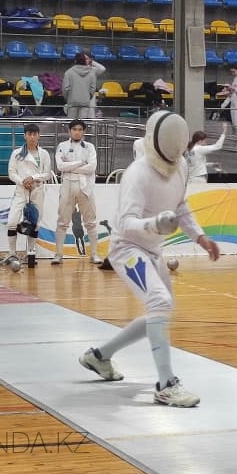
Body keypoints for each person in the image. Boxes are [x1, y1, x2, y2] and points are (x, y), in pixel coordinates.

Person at [78, 111, 221, 407]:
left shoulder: (181, 166)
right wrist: (154, 224)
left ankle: (99, 356)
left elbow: (180, 206)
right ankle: (166, 384)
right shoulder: (138, 173)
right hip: (127, 249)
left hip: (153, 250)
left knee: (161, 308)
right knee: (159, 302)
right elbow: (125, 223)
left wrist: (200, 237)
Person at [53, 120, 101, 264]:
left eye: (80, 129)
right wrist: (80, 163)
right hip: (67, 186)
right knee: (62, 222)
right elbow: (60, 166)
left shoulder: (90, 147)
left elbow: (91, 167)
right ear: (69, 131)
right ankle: (58, 254)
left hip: (85, 187)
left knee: (90, 222)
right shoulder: (62, 146)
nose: (77, 132)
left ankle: (94, 254)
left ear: (84, 131)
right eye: (74, 129)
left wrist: (70, 167)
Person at [6, 123, 54, 265]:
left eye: (35, 134)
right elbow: (11, 173)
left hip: (37, 190)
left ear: (38, 136)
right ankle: (12, 254)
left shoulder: (44, 154)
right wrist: (23, 181)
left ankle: (30, 253)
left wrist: (32, 178)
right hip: (21, 191)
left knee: (35, 223)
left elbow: (47, 174)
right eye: (29, 134)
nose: (32, 137)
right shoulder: (17, 153)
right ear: (25, 136)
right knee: (12, 222)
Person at [63, 52, 105, 120]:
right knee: (82, 122)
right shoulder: (91, 72)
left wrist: (68, 99)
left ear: (75, 61)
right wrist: (88, 97)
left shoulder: (68, 72)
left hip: (72, 102)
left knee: (71, 122)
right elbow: (93, 88)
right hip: (85, 102)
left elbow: (66, 88)